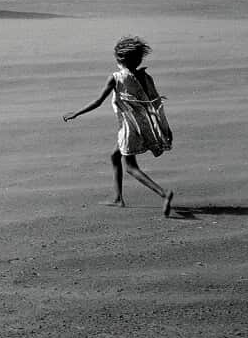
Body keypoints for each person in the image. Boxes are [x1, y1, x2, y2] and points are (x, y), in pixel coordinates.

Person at [64, 35, 175, 216]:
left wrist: (76, 113)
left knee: (131, 167)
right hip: (143, 124)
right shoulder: (145, 76)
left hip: (128, 128)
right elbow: (156, 104)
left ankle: (163, 193)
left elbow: (98, 101)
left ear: (119, 59)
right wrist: (166, 128)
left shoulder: (116, 78)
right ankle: (118, 198)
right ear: (138, 59)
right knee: (115, 156)